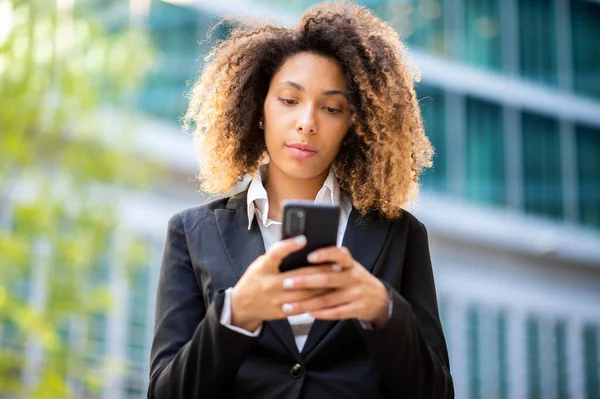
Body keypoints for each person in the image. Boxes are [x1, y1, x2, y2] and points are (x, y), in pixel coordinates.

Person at [148, 2, 453, 398]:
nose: (307, 121)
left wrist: (384, 311)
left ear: (353, 126)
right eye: (289, 101)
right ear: (259, 110)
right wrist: (236, 313)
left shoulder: (401, 236)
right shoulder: (191, 234)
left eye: (331, 108)